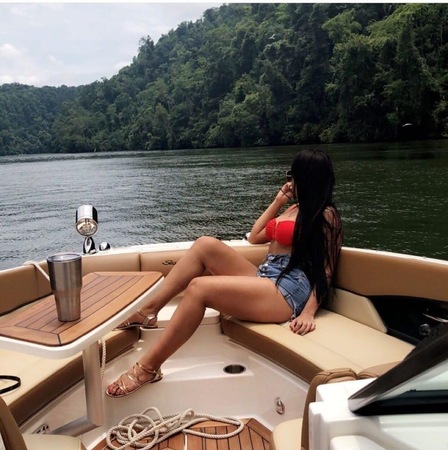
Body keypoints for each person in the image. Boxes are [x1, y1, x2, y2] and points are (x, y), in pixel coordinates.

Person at [106, 149, 343, 398]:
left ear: (306, 178)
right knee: (205, 245)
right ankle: (148, 311)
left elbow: (327, 270)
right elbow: (255, 236)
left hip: (288, 290)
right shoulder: (294, 208)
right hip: (267, 276)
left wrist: (308, 312)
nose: (289, 181)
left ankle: (148, 368)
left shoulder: (326, 214)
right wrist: (277, 201)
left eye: (292, 176)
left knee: (199, 288)